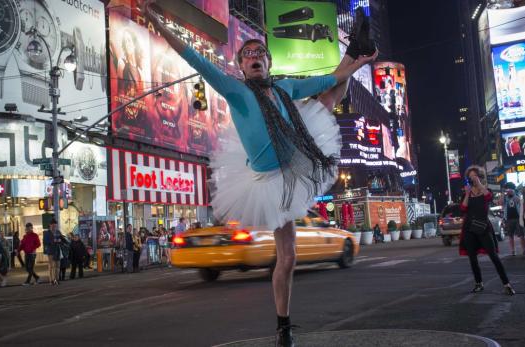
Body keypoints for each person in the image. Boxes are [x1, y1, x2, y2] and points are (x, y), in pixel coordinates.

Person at [143, 2, 377, 345]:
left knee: (327, 98)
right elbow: (194, 57)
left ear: (268, 62)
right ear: (241, 66)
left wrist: (359, 62)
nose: (254, 57)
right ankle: (283, 325)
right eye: (248, 54)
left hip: (296, 152)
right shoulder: (236, 91)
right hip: (269, 180)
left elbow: (329, 79)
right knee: (287, 258)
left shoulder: (284, 88)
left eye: (260, 53)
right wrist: (157, 23)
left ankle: (358, 46)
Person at [459, 166, 514, 296]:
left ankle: (506, 284)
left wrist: (479, 185)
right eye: (470, 177)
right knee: (472, 258)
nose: (472, 179)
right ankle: (478, 283)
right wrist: (467, 193)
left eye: (475, 176)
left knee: (494, 256)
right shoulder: (466, 193)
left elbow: (489, 197)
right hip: (469, 228)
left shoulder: (486, 191)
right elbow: (463, 208)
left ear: (480, 177)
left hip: (483, 227)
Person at [499, 185, 525, 256]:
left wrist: (513, 194)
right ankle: (513, 251)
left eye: (510, 190)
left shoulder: (517, 195)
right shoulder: (505, 198)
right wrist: (502, 193)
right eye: (508, 190)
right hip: (508, 219)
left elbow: (520, 201)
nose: (509, 191)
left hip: (518, 218)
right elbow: (500, 203)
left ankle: (524, 250)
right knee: (510, 235)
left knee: (521, 235)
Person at [44, 219, 62, 285]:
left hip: (57, 250)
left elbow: (61, 239)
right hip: (51, 251)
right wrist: (53, 241)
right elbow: (45, 242)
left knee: (57, 266)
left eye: (55, 225)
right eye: (53, 225)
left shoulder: (58, 232)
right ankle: (51, 280)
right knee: (51, 266)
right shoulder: (47, 233)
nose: (54, 227)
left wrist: (60, 241)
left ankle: (56, 279)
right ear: (50, 225)